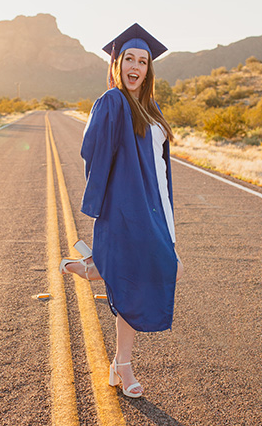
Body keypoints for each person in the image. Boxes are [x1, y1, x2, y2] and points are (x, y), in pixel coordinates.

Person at [60, 23, 182, 399]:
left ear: (148, 70)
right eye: (128, 58)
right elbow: (93, 151)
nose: (135, 66)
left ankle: (97, 267)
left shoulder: (152, 107)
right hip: (129, 208)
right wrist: (104, 205)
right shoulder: (112, 102)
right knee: (134, 277)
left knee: (158, 268)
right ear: (117, 64)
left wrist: (170, 220)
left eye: (142, 61)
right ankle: (124, 366)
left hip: (158, 207)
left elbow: (162, 168)